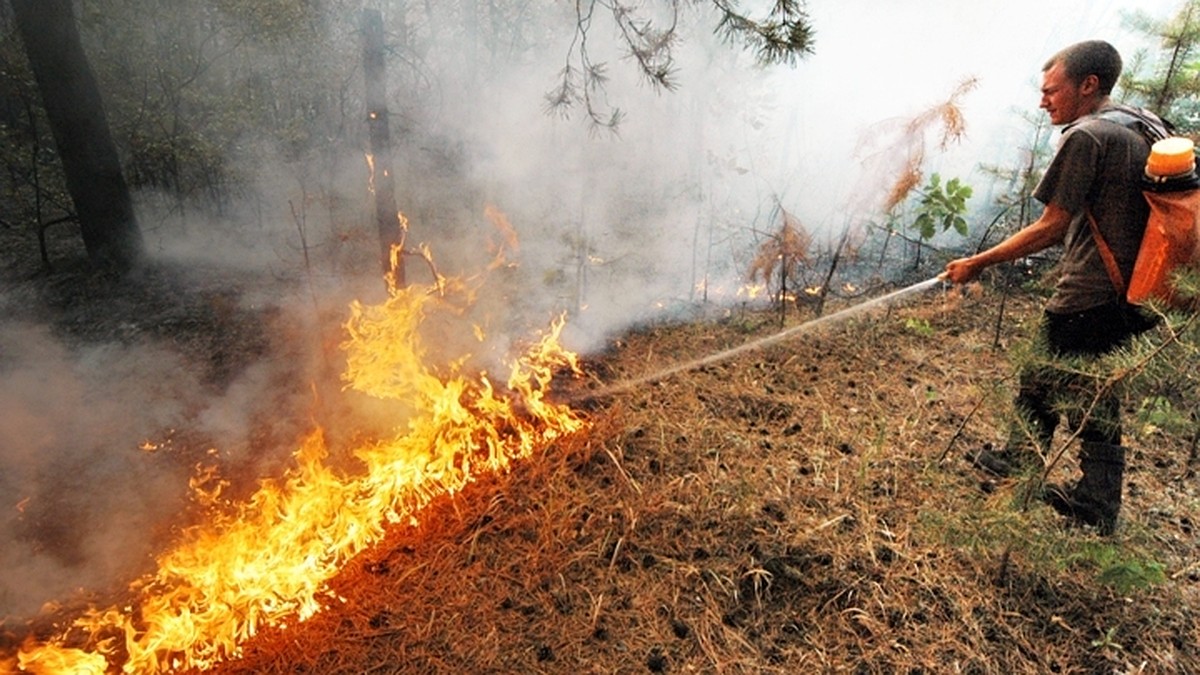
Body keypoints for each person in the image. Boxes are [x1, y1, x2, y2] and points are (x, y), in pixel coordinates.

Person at [941, 40, 1163, 535]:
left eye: (1051, 90)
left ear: (1088, 85)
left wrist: (979, 262)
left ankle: (1033, 470)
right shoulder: (1139, 125)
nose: (1043, 101)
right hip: (1143, 289)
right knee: (1089, 385)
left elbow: (1051, 227)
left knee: (1044, 370)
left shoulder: (1088, 136)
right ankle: (1091, 494)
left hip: (1095, 287)